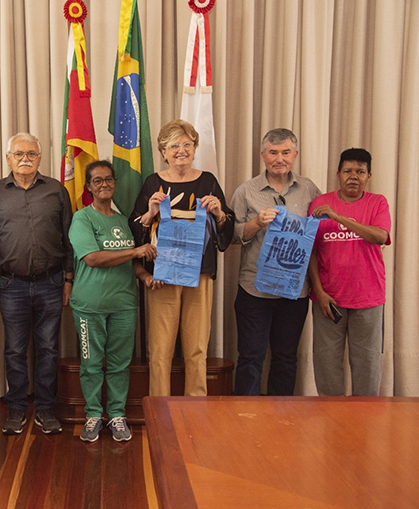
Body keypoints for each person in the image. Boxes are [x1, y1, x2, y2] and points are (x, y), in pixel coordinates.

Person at [129, 120, 233, 396]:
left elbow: (226, 229)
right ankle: (160, 408)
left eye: (187, 144)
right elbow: (134, 229)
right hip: (162, 275)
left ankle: (195, 409)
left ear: (195, 148)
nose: (181, 150)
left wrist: (219, 213)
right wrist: (150, 213)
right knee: (160, 350)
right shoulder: (153, 182)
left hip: (199, 274)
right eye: (174, 145)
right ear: (163, 151)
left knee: (197, 348)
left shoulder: (208, 181)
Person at [0, 132, 74, 435]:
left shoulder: (56, 190)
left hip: (51, 283)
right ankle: (16, 409)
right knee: (14, 350)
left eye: (31, 154)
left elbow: (68, 239)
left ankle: (46, 409)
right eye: (19, 154)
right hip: (11, 286)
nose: (25, 159)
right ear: (8, 158)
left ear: (40, 158)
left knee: (48, 349)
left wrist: (68, 279)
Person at [230, 128, 321, 396]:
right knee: (251, 356)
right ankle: (245, 414)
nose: (279, 159)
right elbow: (231, 236)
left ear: (295, 155)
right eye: (273, 153)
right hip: (254, 289)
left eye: (285, 152)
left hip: (294, 291)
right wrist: (257, 223)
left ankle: (281, 415)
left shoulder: (309, 189)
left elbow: (319, 233)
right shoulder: (246, 191)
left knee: (285, 358)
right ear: (263, 155)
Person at [70, 160, 156, 442]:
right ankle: (94, 414)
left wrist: (144, 276)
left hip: (124, 305)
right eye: (97, 180)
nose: (104, 184)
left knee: (120, 364)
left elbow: (131, 263)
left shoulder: (123, 221)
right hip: (89, 306)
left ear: (114, 183)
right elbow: (93, 258)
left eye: (108, 179)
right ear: (88, 187)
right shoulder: (82, 218)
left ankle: (117, 415)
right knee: (91, 364)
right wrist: (135, 252)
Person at [308, 148, 390, 396]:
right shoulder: (320, 204)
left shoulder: (377, 202)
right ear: (338, 174)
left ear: (369, 176)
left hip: (368, 297)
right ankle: (331, 416)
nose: (353, 176)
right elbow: (310, 251)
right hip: (328, 299)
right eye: (348, 171)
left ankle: (366, 416)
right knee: (326, 366)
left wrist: (338, 217)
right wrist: (319, 291)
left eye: (360, 172)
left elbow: (380, 236)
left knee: (367, 365)